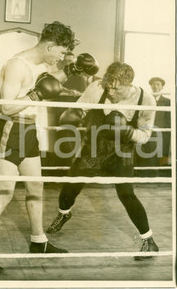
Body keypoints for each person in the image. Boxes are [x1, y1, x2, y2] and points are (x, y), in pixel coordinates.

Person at [0, 21, 99, 274]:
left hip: (28, 129)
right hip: (9, 128)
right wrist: (36, 95)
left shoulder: (37, 65)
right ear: (50, 46)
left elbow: (46, 81)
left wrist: (73, 69)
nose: (61, 58)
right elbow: (5, 107)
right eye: (60, 53)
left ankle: (39, 242)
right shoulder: (17, 64)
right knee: (3, 192)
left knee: (36, 185)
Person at [47, 62, 159, 260]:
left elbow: (145, 134)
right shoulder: (97, 88)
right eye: (109, 86)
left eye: (117, 88)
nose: (111, 91)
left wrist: (126, 132)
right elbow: (78, 110)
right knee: (71, 185)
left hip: (121, 150)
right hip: (94, 146)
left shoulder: (145, 98)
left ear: (129, 83)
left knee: (127, 194)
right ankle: (64, 213)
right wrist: (71, 117)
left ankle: (149, 241)